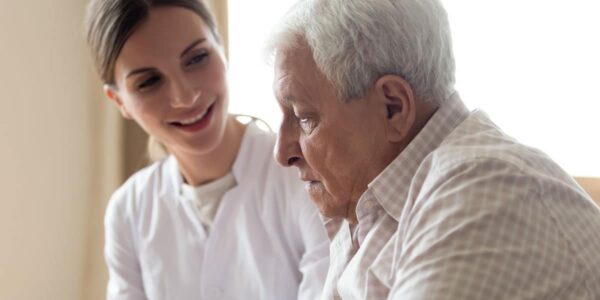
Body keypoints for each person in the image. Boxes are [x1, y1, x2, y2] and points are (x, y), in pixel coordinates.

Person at [267, 0, 600, 299]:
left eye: (303, 118)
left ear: (393, 107)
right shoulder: (372, 206)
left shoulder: (483, 191)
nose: (282, 153)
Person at [84, 0, 330, 299]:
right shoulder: (128, 212)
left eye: (197, 58)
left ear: (221, 47)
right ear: (119, 101)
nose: (185, 97)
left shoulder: (308, 176)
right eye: (149, 81)